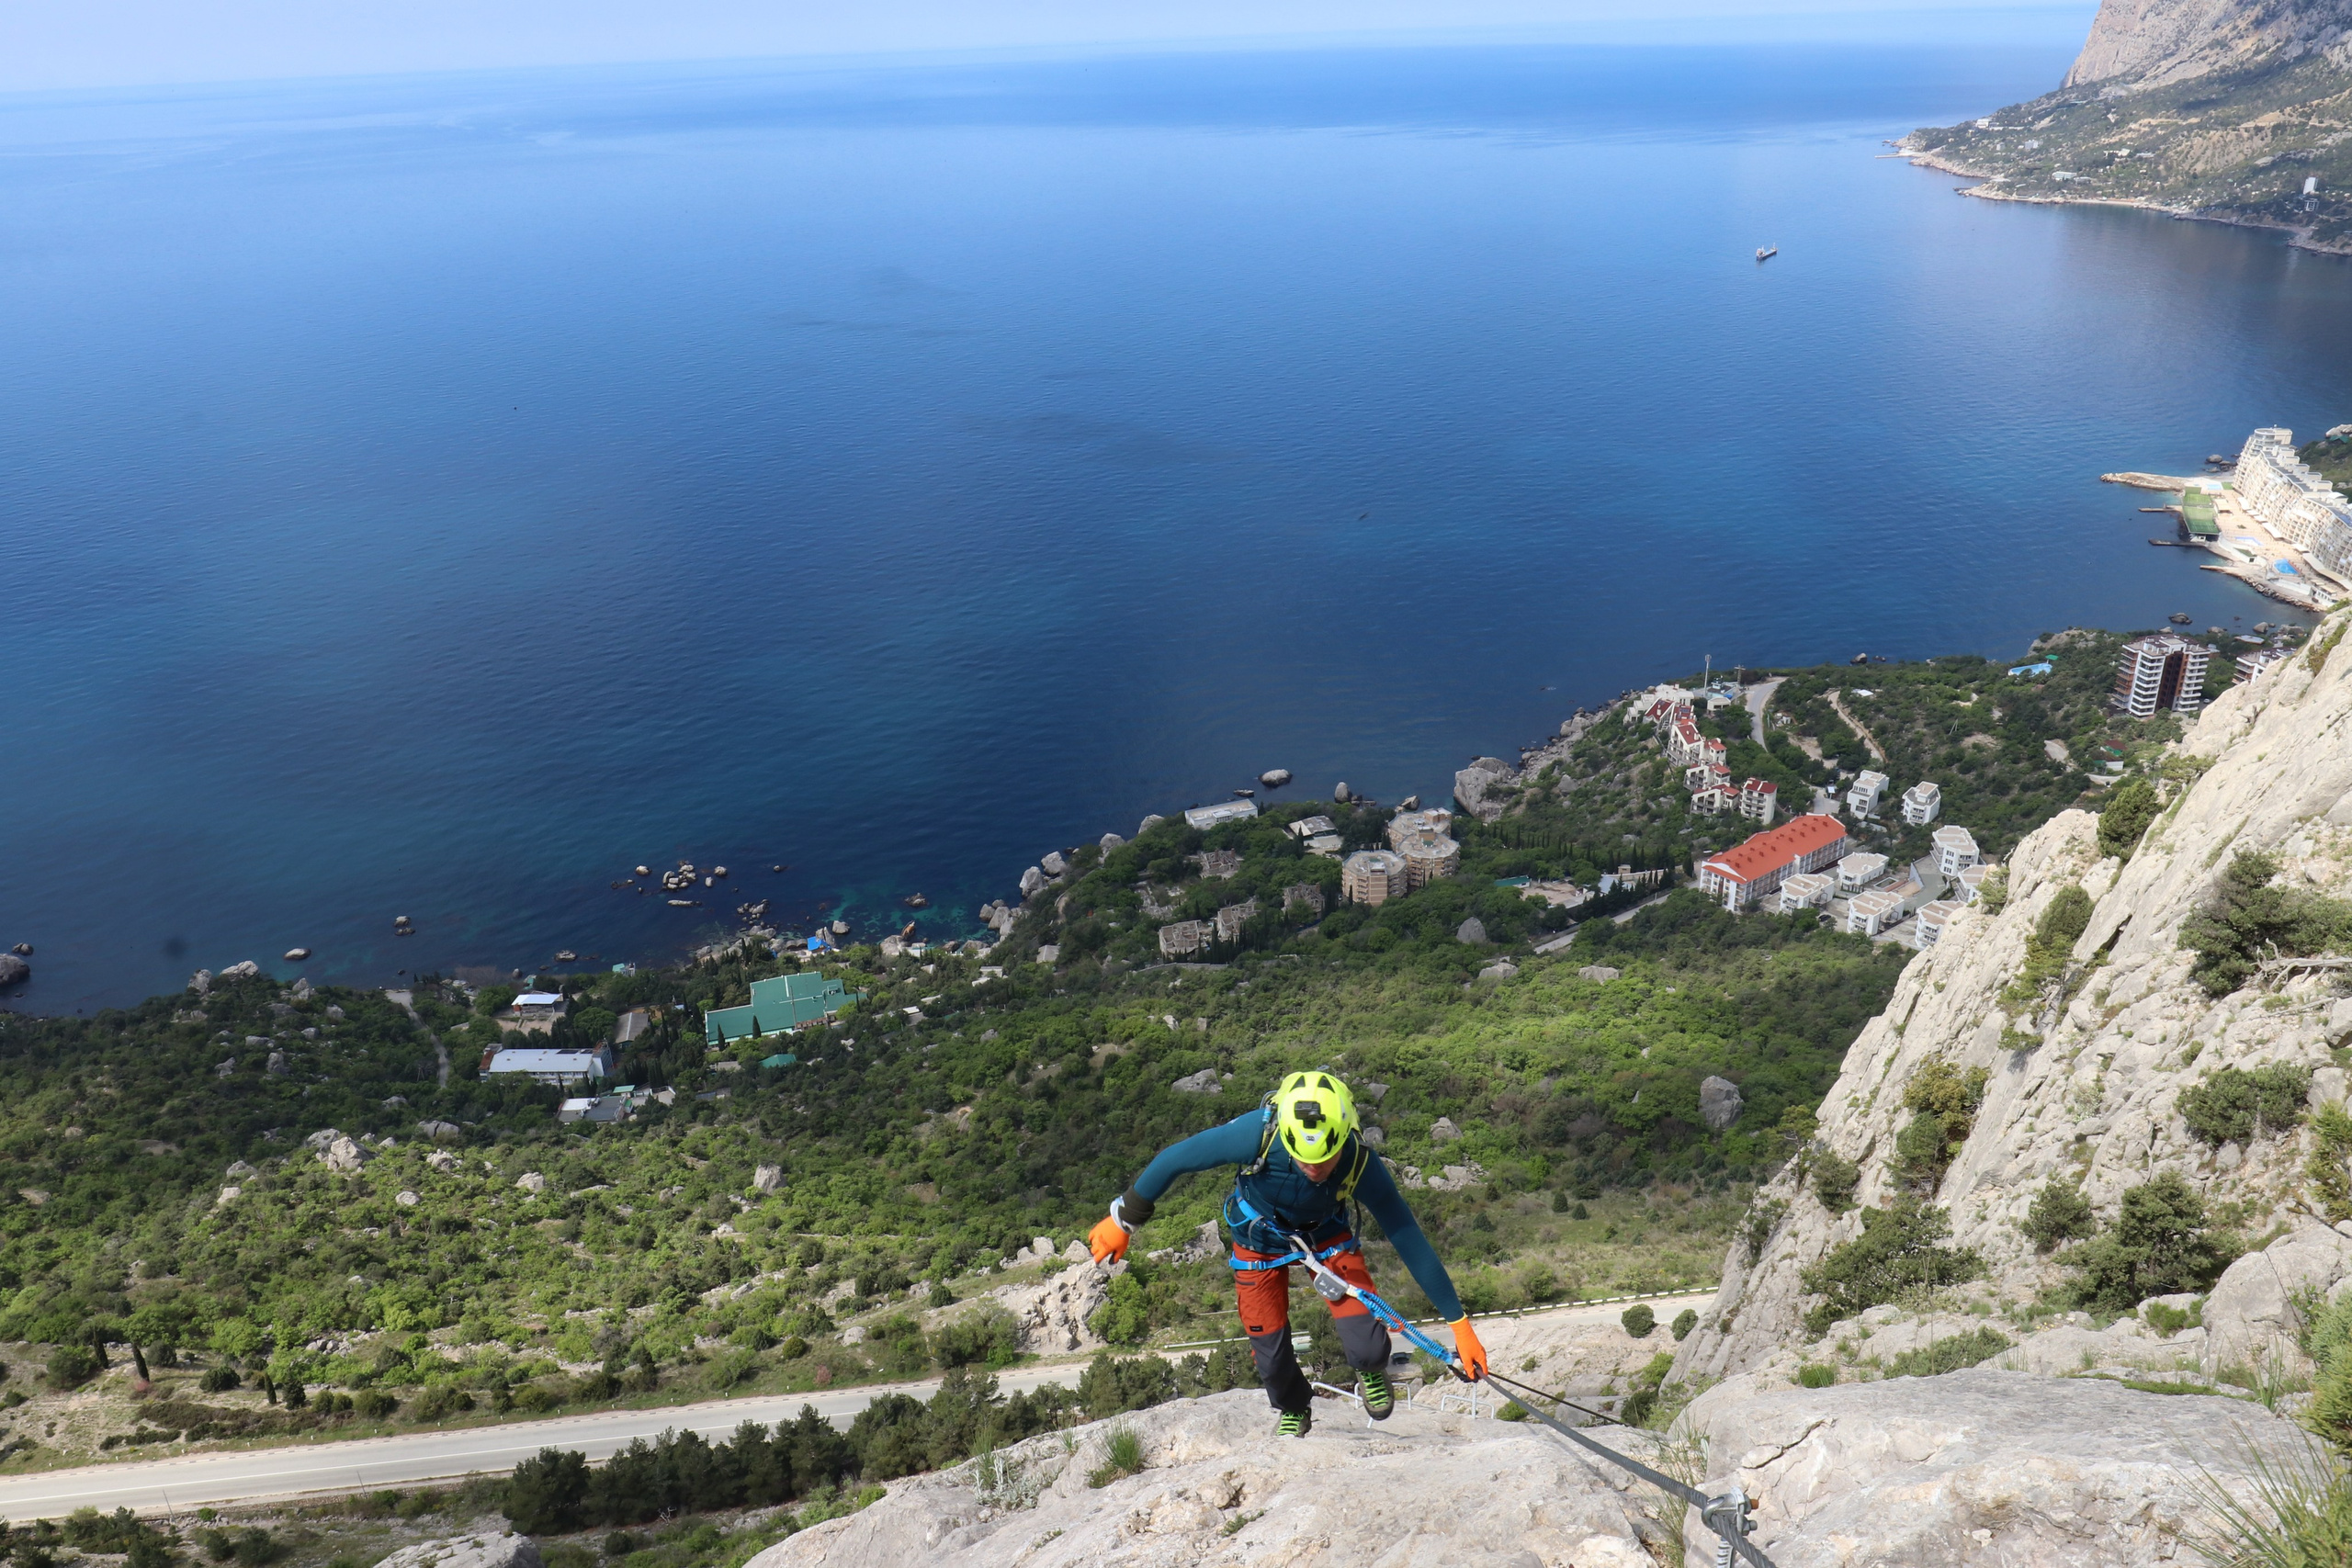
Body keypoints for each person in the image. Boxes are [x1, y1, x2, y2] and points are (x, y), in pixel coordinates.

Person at [1088, 1070, 1488, 1438]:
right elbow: (1175, 1159)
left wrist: (1460, 1325)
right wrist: (1123, 1219)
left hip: (1325, 1237)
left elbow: (1408, 1239)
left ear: (1344, 1135)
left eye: (1325, 1160)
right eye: (1303, 1159)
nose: (1315, 1169)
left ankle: (1371, 1369)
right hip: (1259, 1239)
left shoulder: (1359, 1162)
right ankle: (1294, 1406)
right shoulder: (1258, 1134)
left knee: (1366, 1345)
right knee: (1271, 1355)